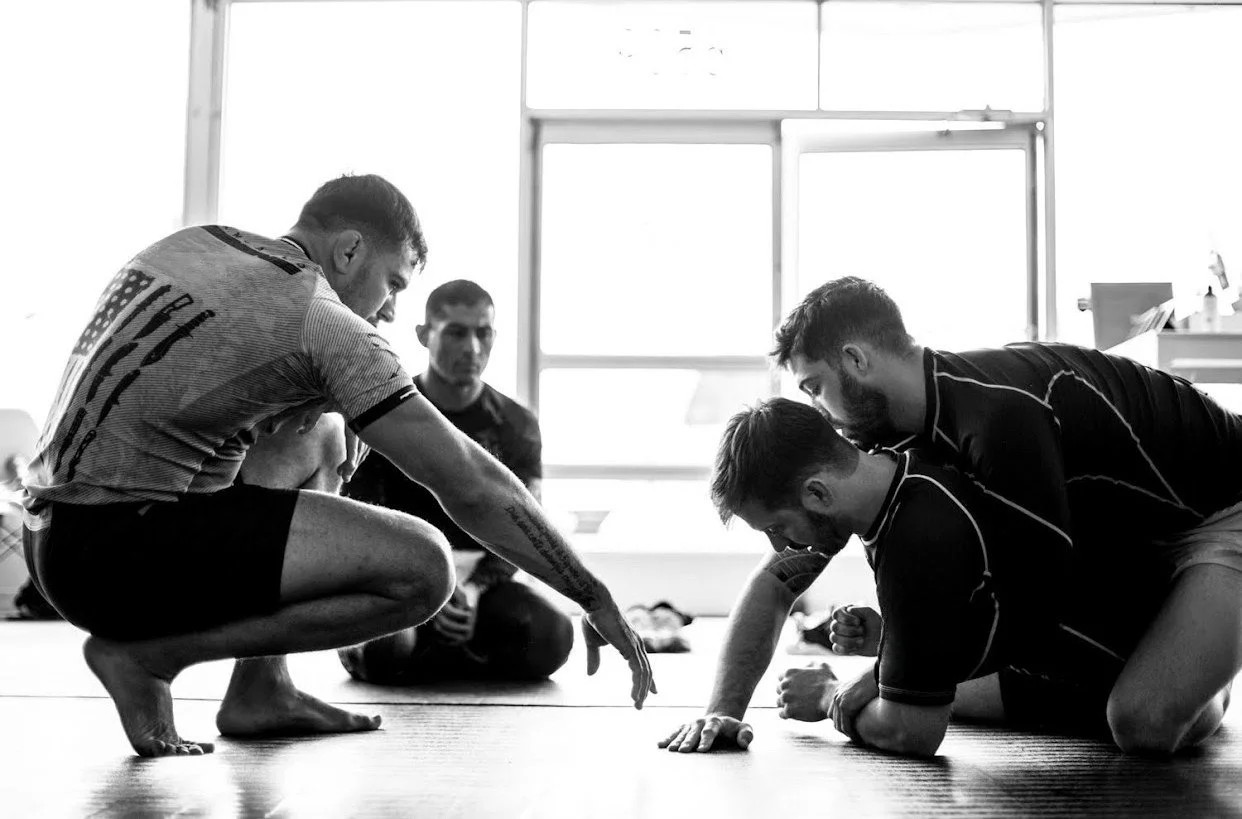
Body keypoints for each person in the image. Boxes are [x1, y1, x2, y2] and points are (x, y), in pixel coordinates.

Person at [20, 173, 654, 758]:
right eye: (394, 284)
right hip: (115, 553)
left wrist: (337, 403)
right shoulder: (316, 315)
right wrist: (590, 594)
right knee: (424, 570)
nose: (390, 310)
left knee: (326, 432)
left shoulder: (202, 243)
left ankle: (261, 689)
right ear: (349, 251)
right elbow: (469, 483)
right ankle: (152, 657)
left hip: (48, 537)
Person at [768, 276, 1242, 756]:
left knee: (1142, 722)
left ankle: (1203, 682)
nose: (820, 413)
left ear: (855, 360)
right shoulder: (910, 430)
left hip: (1224, 515)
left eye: (815, 388)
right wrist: (902, 648)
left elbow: (1032, 602)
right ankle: (1179, 651)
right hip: (1135, 540)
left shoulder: (999, 412)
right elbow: (970, 563)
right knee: (946, 663)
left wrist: (883, 671)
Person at [660, 399, 1220, 758]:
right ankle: (907, 651)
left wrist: (833, 696)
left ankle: (908, 653)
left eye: (779, 528)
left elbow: (912, 734)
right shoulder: (879, 465)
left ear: (816, 494)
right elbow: (776, 583)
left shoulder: (917, 537)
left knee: (919, 696)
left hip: (1161, 678)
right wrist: (723, 712)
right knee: (927, 670)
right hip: (1102, 622)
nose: (781, 548)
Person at [338, 280, 574, 683]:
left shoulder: (517, 426)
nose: (472, 348)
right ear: (424, 335)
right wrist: (433, 586)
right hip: (404, 580)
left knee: (555, 636)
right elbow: (364, 528)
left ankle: (441, 655)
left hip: (480, 588)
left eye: (483, 333)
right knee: (383, 648)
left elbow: (524, 530)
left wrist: (475, 590)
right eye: (456, 332)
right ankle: (439, 654)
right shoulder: (383, 415)